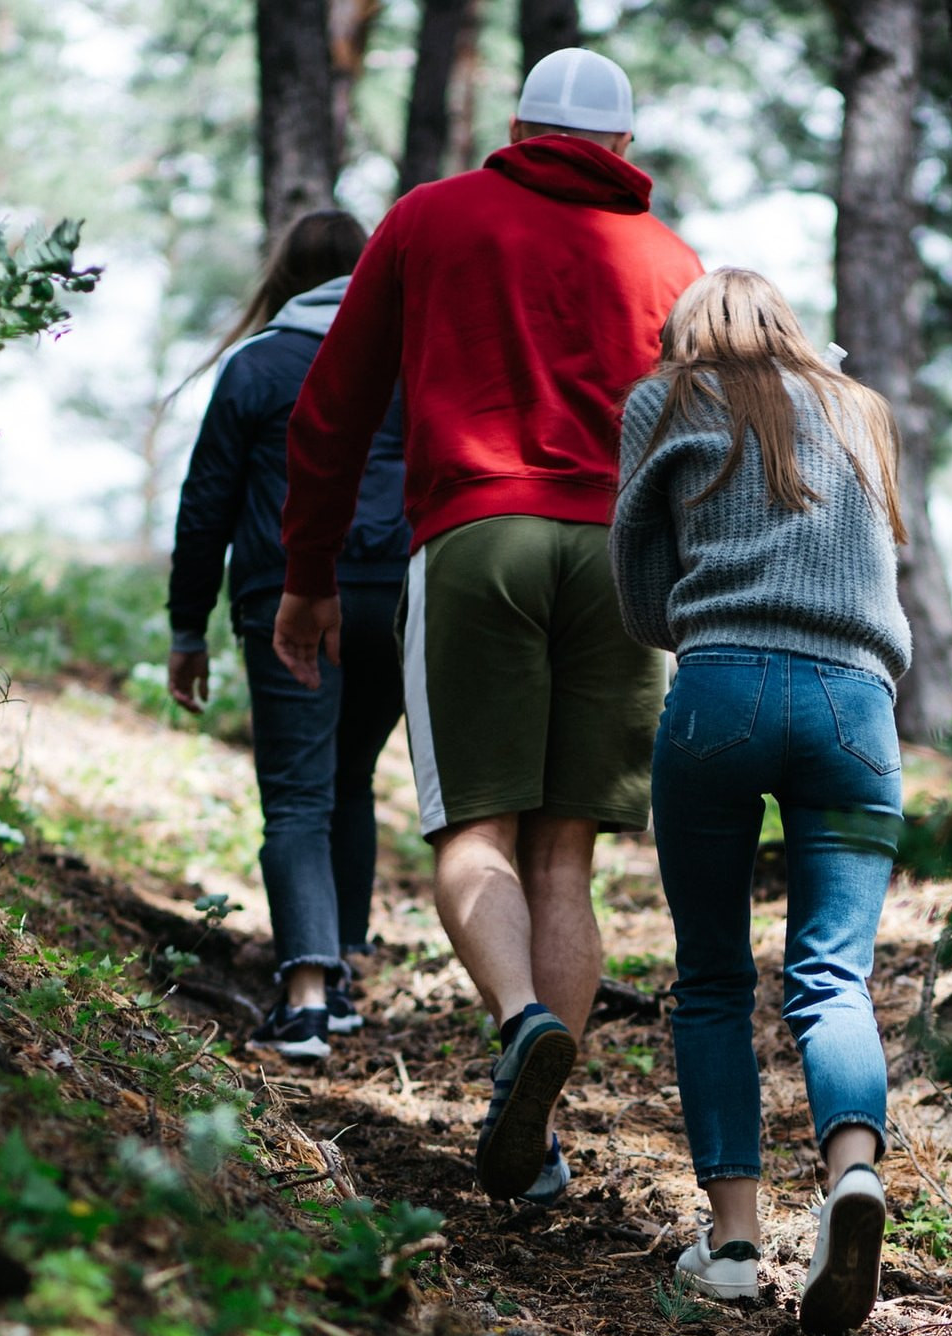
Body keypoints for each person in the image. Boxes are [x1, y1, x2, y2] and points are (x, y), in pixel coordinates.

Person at [273, 48, 704, 1204]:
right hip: (619, 563)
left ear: (517, 126)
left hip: (478, 540)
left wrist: (308, 572)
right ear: (623, 146)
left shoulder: (432, 218)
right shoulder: (673, 259)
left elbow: (334, 406)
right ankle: (540, 1132)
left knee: (476, 834)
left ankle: (521, 1024)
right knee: (566, 856)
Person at [610, 268, 911, 1335]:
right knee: (835, 975)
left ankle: (734, 1248)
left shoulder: (666, 400)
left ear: (687, 332)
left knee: (711, 981)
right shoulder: (858, 408)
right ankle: (853, 1182)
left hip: (722, 689)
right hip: (857, 710)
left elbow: (642, 595)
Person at [165, 209, 411, 1063]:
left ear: (284, 276)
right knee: (350, 777)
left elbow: (206, 509)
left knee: (301, 793)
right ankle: (340, 972)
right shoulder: (406, 361)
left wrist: (185, 627)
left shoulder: (258, 366)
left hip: (291, 599)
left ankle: (305, 1000)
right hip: (398, 597)